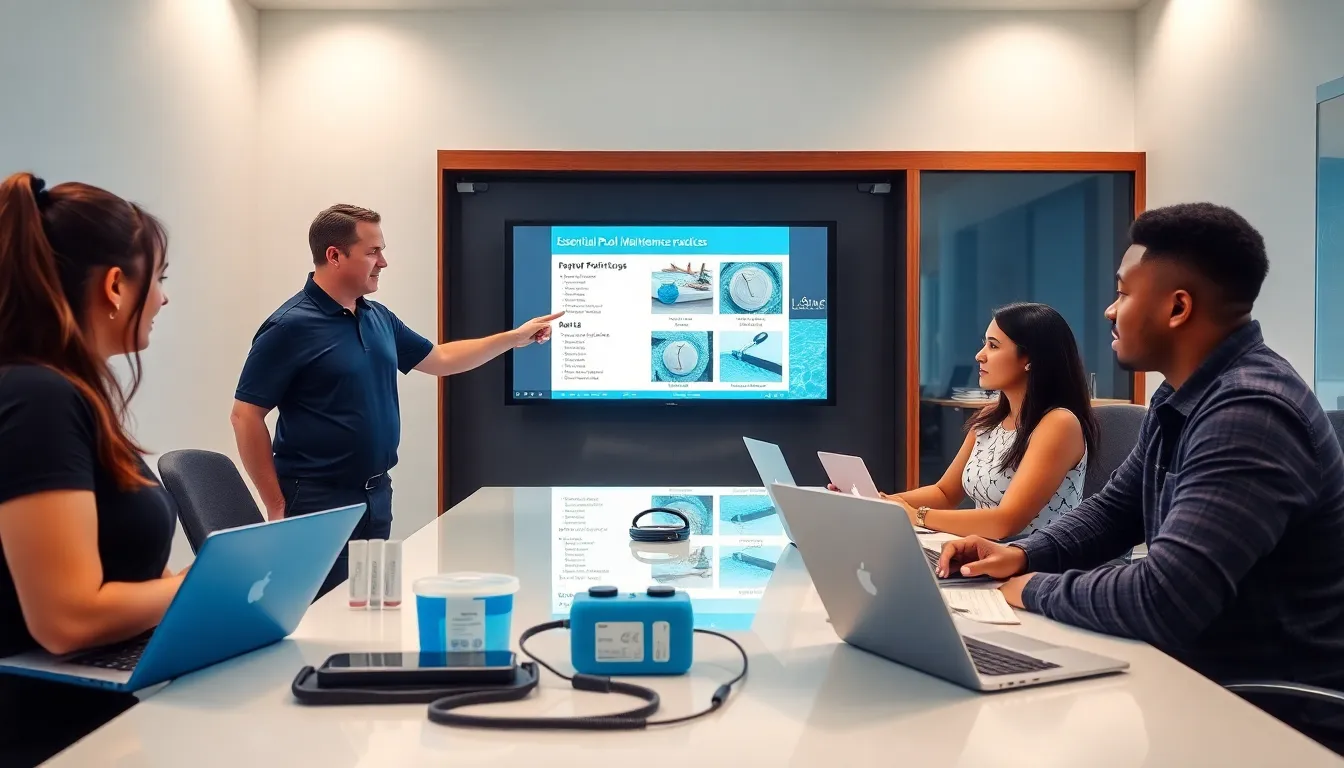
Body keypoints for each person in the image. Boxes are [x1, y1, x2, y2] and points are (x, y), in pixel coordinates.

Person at [937, 203, 1344, 754]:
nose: (1109, 310)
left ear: (1177, 308)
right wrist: (1022, 555)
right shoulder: (1183, 395)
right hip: (1193, 677)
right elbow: (1113, 512)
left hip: (1264, 715)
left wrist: (1030, 588)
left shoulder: (1250, 411)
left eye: (1124, 292)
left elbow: (1164, 598)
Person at [231, 204, 561, 598]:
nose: (383, 262)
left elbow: (440, 359)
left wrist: (514, 338)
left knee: (371, 608)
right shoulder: (289, 327)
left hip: (375, 495)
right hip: (317, 502)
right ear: (335, 255)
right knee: (317, 615)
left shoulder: (378, 318)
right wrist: (276, 503)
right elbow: (245, 415)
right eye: (372, 251)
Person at [0, 172, 183, 766]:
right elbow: (66, 617)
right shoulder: (38, 398)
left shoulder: (62, 395)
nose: (162, 298)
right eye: (157, 279)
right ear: (114, 286)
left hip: (98, 714)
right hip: (51, 736)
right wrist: (191, 590)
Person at [830, 303, 1098, 540]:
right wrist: (880, 502)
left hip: (1037, 566)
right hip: (985, 552)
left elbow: (1004, 523)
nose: (979, 355)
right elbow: (946, 493)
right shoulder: (988, 417)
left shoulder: (1058, 424)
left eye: (993, 346)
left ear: (1029, 360)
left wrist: (914, 516)